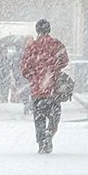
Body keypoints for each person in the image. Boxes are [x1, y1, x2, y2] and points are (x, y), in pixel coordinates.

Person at [20, 19, 69, 154]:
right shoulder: (56, 44)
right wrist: (54, 70)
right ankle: (50, 132)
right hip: (53, 88)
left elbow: (24, 68)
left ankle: (41, 141)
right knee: (54, 114)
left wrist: (34, 77)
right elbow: (65, 61)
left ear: (37, 31)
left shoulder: (32, 47)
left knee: (39, 117)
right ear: (49, 30)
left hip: (38, 90)